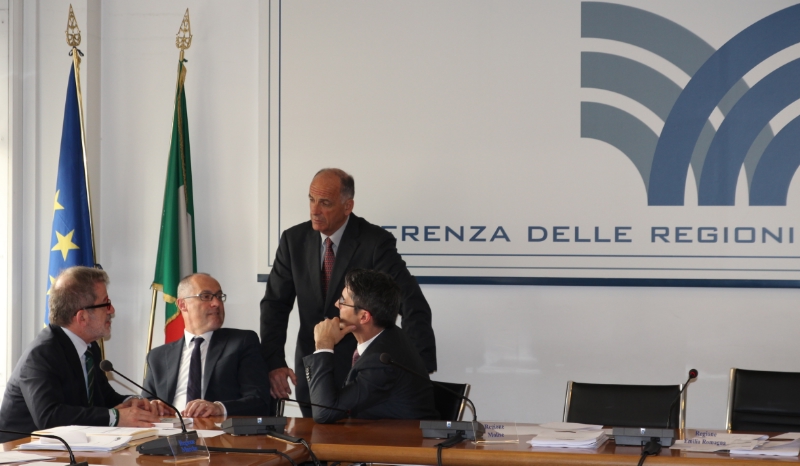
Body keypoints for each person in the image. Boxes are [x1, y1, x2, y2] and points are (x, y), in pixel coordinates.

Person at [261, 168, 437, 416]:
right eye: (311, 199)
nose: (314, 210)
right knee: (315, 438)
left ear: (347, 206)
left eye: (325, 203)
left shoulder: (374, 242)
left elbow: (412, 303)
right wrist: (274, 363)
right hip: (312, 369)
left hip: (364, 373)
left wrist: (414, 369)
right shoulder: (293, 240)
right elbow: (274, 306)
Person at [0, 266, 160, 442]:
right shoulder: (41, 354)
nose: (112, 310)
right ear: (82, 317)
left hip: (70, 448)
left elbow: (104, 398)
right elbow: (49, 417)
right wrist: (115, 417)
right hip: (21, 451)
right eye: (106, 303)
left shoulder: (89, 348)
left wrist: (134, 403)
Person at [304, 269, 438, 423]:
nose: (336, 304)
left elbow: (324, 413)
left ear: (364, 317)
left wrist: (323, 346)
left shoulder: (381, 362)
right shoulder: (390, 335)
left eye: (342, 300)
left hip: (404, 438)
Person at [143, 273, 273, 417]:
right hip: (169, 428)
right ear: (182, 304)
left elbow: (260, 401)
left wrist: (219, 408)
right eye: (206, 296)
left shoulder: (242, 342)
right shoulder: (157, 356)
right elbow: (146, 403)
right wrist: (152, 406)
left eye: (219, 296)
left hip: (217, 429)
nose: (216, 303)